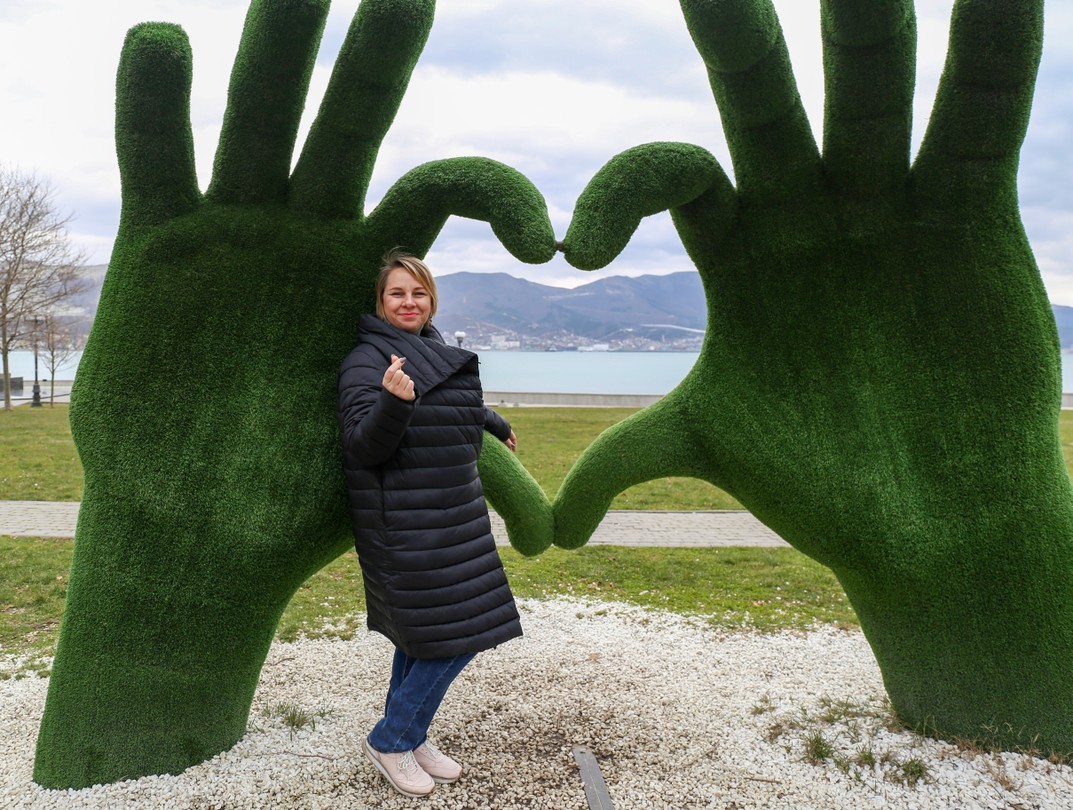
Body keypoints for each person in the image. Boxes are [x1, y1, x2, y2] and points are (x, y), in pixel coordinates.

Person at [336, 251, 522, 798]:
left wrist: (491, 420)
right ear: (381, 302)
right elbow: (363, 446)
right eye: (397, 293)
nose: (409, 302)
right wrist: (393, 404)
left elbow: (443, 402)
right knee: (454, 637)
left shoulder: (431, 348)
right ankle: (392, 738)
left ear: (431, 299)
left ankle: (411, 735)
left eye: (418, 292)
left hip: (452, 516)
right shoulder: (366, 363)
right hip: (407, 526)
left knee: (424, 637)